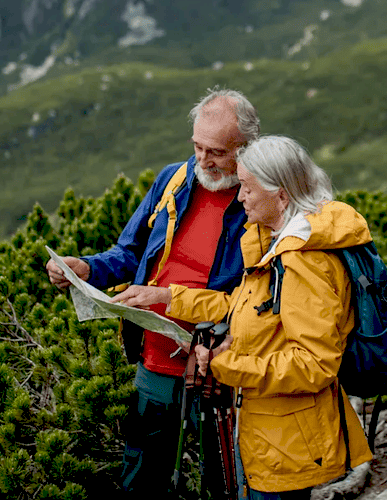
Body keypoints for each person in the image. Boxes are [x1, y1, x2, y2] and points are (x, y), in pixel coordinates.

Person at [112, 135, 374, 499]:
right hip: (272, 434)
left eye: (248, 188)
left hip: (287, 444)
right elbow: (245, 306)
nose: (239, 197)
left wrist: (223, 364)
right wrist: (167, 297)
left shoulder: (303, 260)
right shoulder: (279, 244)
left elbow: (314, 364)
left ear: (281, 195)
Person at [46, 88, 260, 496]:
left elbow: (257, 296)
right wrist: (87, 268)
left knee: (226, 482)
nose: (202, 159)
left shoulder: (258, 199)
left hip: (222, 369)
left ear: (245, 149)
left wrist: (176, 304)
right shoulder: (173, 180)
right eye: (197, 146)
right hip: (155, 362)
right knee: (141, 476)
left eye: (215, 151)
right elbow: (129, 253)